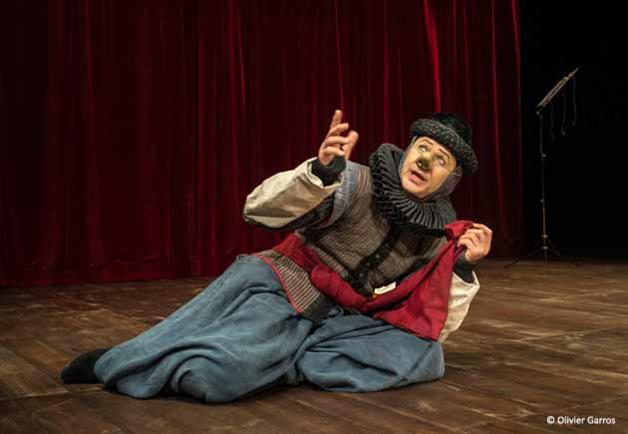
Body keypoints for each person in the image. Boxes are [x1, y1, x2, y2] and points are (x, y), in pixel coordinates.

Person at [60, 109, 492, 403]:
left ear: (449, 179)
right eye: (423, 148)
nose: (425, 162)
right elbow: (258, 208)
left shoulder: (434, 237)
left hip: (341, 321)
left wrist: (462, 267)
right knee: (214, 378)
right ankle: (121, 361)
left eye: (440, 159)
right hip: (282, 291)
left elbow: (432, 322)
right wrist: (320, 175)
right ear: (408, 148)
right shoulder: (354, 182)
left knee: (426, 356)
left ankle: (287, 360)